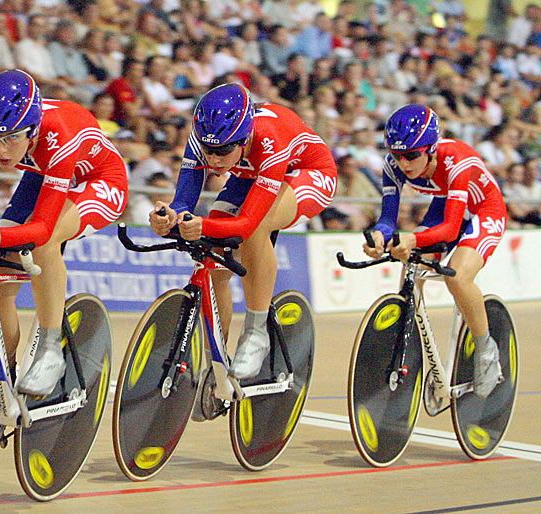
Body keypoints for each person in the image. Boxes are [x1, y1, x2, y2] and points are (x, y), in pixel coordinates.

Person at [0, 69, 128, 397]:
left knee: (44, 242)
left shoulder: (57, 135)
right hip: (42, 174)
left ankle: (50, 350)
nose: (0, 150)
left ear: (32, 130)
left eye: (10, 139)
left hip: (99, 180)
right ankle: (4, 384)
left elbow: (42, 228)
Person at [151, 83, 337, 380]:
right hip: (250, 174)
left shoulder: (268, 140)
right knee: (212, 262)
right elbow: (184, 202)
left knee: (256, 228)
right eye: (208, 151)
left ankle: (256, 333)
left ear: (245, 137)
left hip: (306, 174)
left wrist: (203, 224)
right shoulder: (204, 138)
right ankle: (217, 361)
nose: (213, 160)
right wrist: (171, 216)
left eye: (223, 151)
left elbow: (248, 222)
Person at [363, 104, 507, 398]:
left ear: (431, 148)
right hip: (446, 206)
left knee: (458, 278)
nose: (404, 163)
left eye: (412, 155)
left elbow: (452, 229)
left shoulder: (456, 160)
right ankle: (411, 345)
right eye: (397, 155)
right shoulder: (394, 166)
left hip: (483, 210)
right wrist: (379, 236)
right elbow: (389, 218)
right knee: (410, 270)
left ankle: (486, 349)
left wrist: (413, 240)